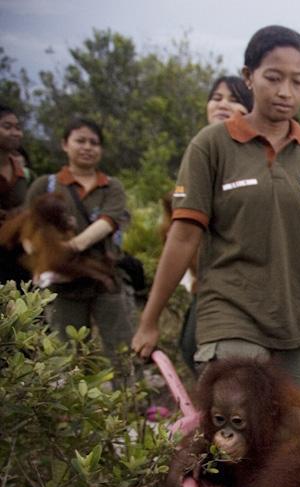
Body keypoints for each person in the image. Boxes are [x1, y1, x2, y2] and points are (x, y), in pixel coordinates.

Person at [132, 25, 300, 391]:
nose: (285, 92)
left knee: (299, 425)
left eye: (298, 81)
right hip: (231, 314)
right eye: (273, 78)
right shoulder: (211, 146)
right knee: (241, 416)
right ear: (249, 77)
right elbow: (183, 236)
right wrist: (149, 319)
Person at [161, 76, 254, 374]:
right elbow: (182, 230)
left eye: (234, 99)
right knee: (191, 348)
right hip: (208, 281)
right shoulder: (200, 151)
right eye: (216, 97)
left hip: (245, 282)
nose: (222, 104)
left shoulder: (254, 157)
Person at [23, 117, 134, 359]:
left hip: (105, 278)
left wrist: (69, 247)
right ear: (65, 144)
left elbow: (107, 222)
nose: (87, 147)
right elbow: (27, 227)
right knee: (66, 354)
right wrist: (42, 258)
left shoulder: (111, 187)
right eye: (80, 141)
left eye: (94, 142)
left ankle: (128, 385)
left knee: (122, 351)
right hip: (62, 286)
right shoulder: (46, 185)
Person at [0, 105, 31, 285]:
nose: (15, 132)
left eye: (18, 128)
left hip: (17, 258)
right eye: (7, 127)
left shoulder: (22, 173)